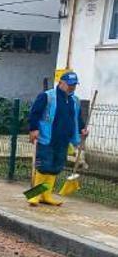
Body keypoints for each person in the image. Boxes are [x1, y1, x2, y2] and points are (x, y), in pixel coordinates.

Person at [27, 71, 88, 206]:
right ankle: (34, 195)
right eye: (69, 84)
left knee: (55, 167)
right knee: (44, 166)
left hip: (64, 139)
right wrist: (33, 129)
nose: (72, 87)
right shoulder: (47, 97)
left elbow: (76, 118)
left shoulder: (74, 100)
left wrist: (82, 129)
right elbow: (34, 113)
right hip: (47, 138)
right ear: (61, 82)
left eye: (74, 85)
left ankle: (46, 195)